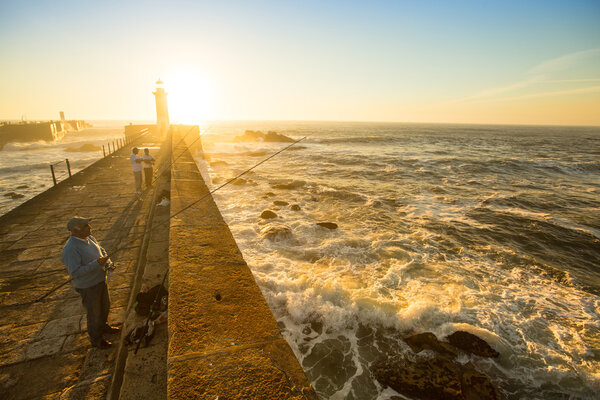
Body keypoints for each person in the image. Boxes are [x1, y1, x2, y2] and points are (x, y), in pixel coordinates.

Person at [62, 217, 120, 348]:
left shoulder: (90, 238)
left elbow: (102, 252)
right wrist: (96, 264)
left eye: (88, 225)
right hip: (88, 286)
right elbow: (75, 272)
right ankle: (96, 340)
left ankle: (103, 326)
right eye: (85, 226)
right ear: (75, 230)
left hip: (100, 280)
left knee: (105, 307)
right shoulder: (70, 249)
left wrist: (108, 264)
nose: (89, 228)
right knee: (94, 313)